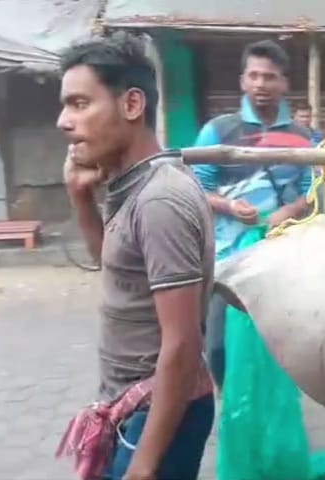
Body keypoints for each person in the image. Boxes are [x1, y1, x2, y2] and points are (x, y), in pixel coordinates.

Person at [57, 32, 215, 480]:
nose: (63, 121)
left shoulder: (160, 200)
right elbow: (116, 267)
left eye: (79, 104)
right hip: (131, 403)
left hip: (162, 410)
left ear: (131, 105)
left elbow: (183, 345)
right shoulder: (128, 184)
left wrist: (144, 466)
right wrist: (82, 200)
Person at [191, 39, 314, 389]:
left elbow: (313, 190)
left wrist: (289, 211)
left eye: (270, 76)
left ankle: (274, 415)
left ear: (284, 83)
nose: (261, 83)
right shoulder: (218, 131)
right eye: (254, 75)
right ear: (243, 80)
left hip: (282, 256)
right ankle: (232, 407)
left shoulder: (304, 137)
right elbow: (198, 186)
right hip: (228, 259)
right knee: (218, 347)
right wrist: (229, 206)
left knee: (281, 343)